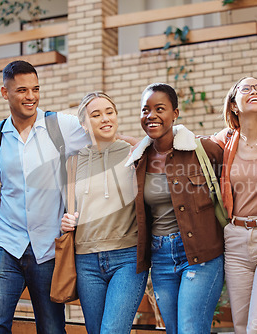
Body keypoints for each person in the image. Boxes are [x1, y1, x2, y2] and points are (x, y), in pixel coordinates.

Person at [0, 60, 89, 333]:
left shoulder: (61, 126)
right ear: (5, 93)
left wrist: (149, 144)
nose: (31, 97)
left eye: (35, 89)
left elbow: (105, 138)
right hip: (5, 244)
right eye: (22, 90)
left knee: (51, 329)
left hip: (49, 248)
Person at [125, 83, 225, 334]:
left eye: (160, 108)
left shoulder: (201, 149)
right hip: (160, 258)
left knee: (190, 329)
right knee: (174, 330)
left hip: (200, 254)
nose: (151, 115)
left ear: (175, 113)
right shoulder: (138, 160)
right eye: (145, 109)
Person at [60, 92, 148, 334]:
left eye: (110, 112)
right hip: (86, 260)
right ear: (83, 124)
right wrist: (65, 221)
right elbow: (68, 209)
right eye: (96, 115)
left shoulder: (136, 151)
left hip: (128, 257)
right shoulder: (73, 163)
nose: (105, 118)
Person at [210, 77, 257, 334]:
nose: (255, 91)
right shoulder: (226, 141)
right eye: (246, 88)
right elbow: (182, 142)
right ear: (234, 105)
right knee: (241, 325)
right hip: (236, 240)